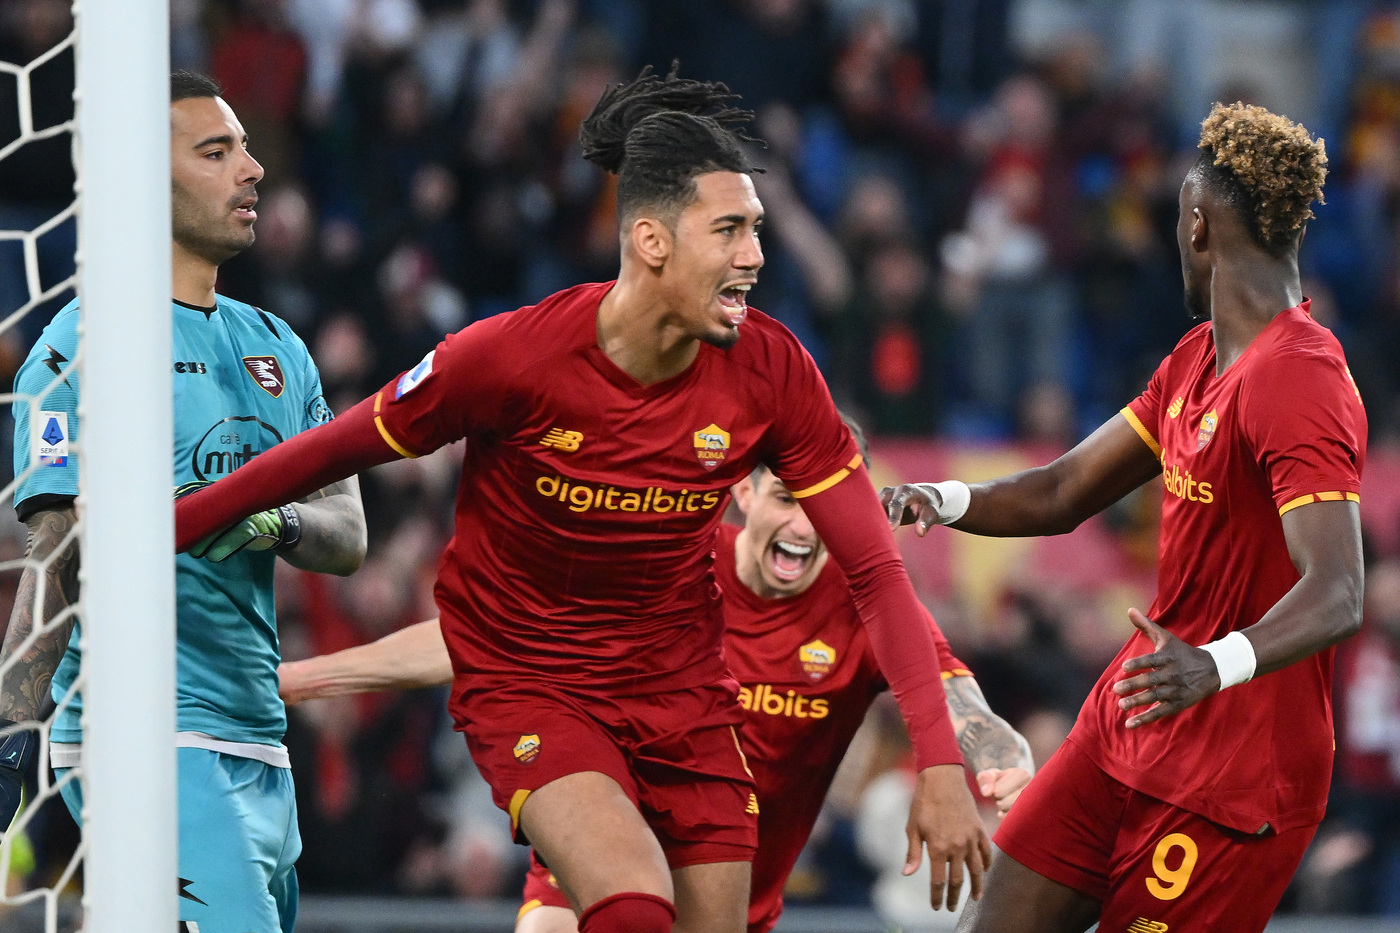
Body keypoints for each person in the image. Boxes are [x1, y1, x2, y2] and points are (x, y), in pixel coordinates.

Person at [173, 65, 990, 933]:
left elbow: (875, 571)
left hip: (681, 689)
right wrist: (160, 528)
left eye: (755, 228)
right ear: (651, 240)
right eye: (730, 230)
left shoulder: (774, 370)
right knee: (632, 904)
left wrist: (941, 763)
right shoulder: (509, 360)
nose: (755, 255)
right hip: (532, 681)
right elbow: (323, 452)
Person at [883, 101, 1364, 933]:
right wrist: (948, 498)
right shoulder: (1194, 360)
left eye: (1176, 221)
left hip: (1233, 774)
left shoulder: (1301, 375)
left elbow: (1340, 588)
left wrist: (1214, 664)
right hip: (1132, 723)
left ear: (1197, 223)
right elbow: (1065, 489)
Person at [276, 425, 1035, 933]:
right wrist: (304, 678)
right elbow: (484, 636)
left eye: (831, 506)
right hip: (592, 874)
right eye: (787, 497)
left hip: (730, 908)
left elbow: (960, 704)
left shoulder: (870, 606)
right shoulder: (669, 562)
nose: (808, 525)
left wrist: (1003, 758)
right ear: (743, 493)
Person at [0, 71, 367, 933]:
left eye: (245, 147)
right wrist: (13, 730)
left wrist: (270, 520)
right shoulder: (81, 346)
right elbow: (55, 555)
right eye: (215, 151)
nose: (253, 169)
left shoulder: (279, 347)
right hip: (142, 734)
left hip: (258, 736)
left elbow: (349, 532)